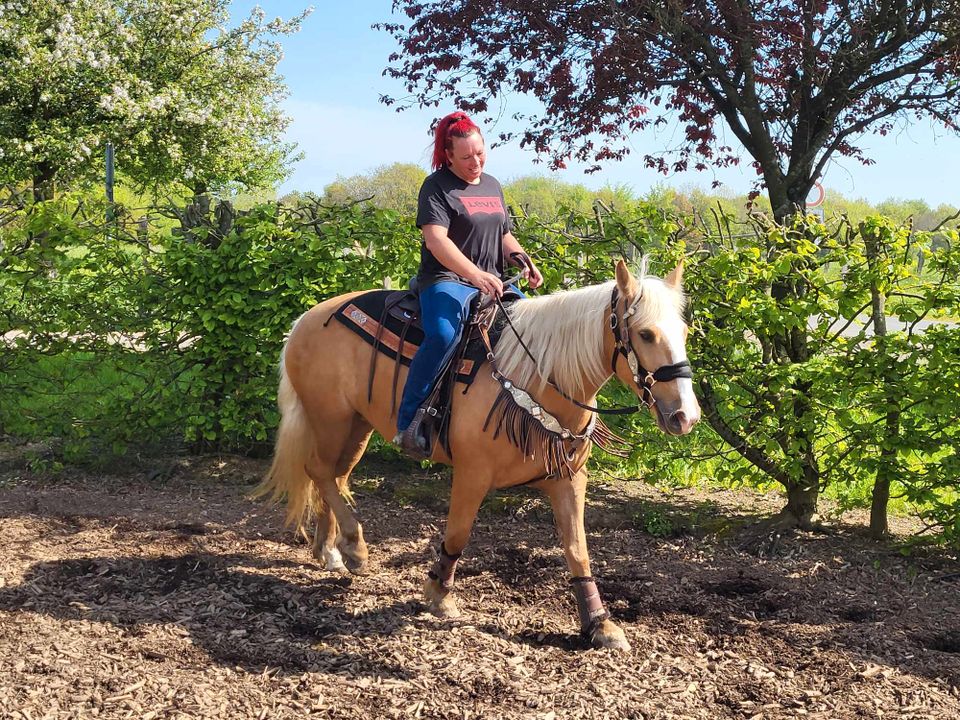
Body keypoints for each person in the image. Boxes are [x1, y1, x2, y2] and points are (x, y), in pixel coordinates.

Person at [394, 111, 543, 456]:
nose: (475, 162)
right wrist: (474, 274)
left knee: (532, 330)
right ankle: (409, 423)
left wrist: (523, 260)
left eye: (480, 153)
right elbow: (437, 241)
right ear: (448, 156)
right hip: (447, 280)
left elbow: (503, 233)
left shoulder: (492, 184)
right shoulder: (436, 187)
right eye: (465, 157)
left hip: (492, 282)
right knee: (444, 335)